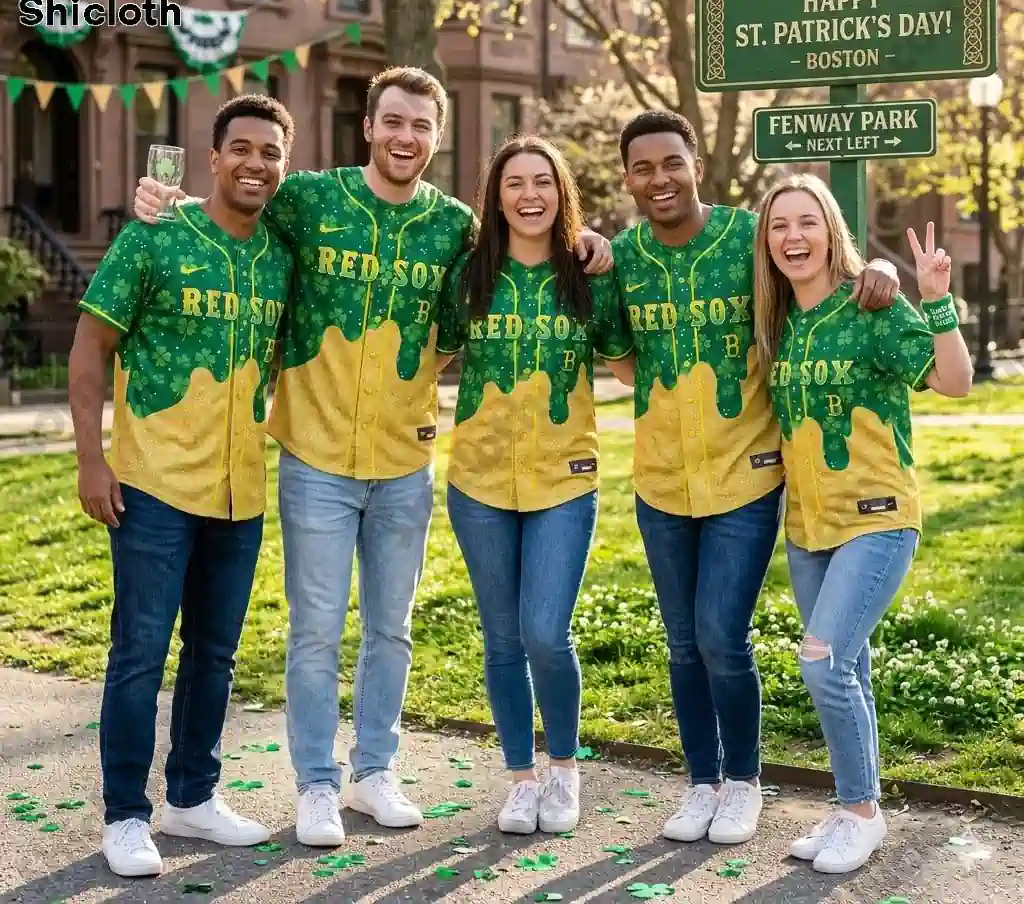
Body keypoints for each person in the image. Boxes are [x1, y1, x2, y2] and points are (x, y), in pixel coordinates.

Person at [131, 66, 613, 847]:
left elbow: (526, 247)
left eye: (421, 126)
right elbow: (234, 208)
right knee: (316, 629)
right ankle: (317, 786)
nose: (405, 137)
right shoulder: (309, 199)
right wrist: (167, 202)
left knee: (391, 629)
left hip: (404, 462)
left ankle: (374, 772)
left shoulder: (454, 227)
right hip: (315, 457)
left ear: (438, 136)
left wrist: (587, 242)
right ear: (368, 126)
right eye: (393, 121)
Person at [610, 110, 902, 847]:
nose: (659, 179)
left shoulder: (750, 236)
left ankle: (742, 781)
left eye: (671, 162)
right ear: (627, 179)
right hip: (660, 483)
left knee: (720, 634)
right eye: (642, 168)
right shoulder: (624, 255)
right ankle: (701, 781)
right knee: (681, 642)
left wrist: (883, 270)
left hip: (748, 475)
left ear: (696, 161)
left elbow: (823, 266)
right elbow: (620, 355)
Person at [69, 95, 296, 877]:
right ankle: (126, 814)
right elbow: (91, 347)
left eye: (270, 151)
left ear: (283, 164)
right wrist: (90, 460)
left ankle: (193, 797)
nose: (255, 163)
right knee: (138, 652)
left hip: (240, 490)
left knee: (216, 653)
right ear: (214, 156)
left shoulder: (281, 253)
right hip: (154, 486)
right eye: (241, 147)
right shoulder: (156, 234)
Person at [753, 174, 972, 873]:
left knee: (821, 663)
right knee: (850, 669)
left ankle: (860, 814)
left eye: (806, 222)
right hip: (809, 527)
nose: (793, 237)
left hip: (878, 518)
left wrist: (936, 302)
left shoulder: (871, 304)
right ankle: (855, 802)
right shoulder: (777, 322)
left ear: (831, 230)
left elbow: (955, 381)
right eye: (780, 225)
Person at [435, 136, 634, 835]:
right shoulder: (468, 274)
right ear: (495, 196)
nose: (528, 195)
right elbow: (429, 355)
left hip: (564, 478)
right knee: (501, 638)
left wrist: (606, 255)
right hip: (478, 480)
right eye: (514, 182)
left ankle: (564, 768)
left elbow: (629, 368)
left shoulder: (588, 274)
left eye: (542, 182)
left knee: (546, 632)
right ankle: (520, 777)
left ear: (561, 193)